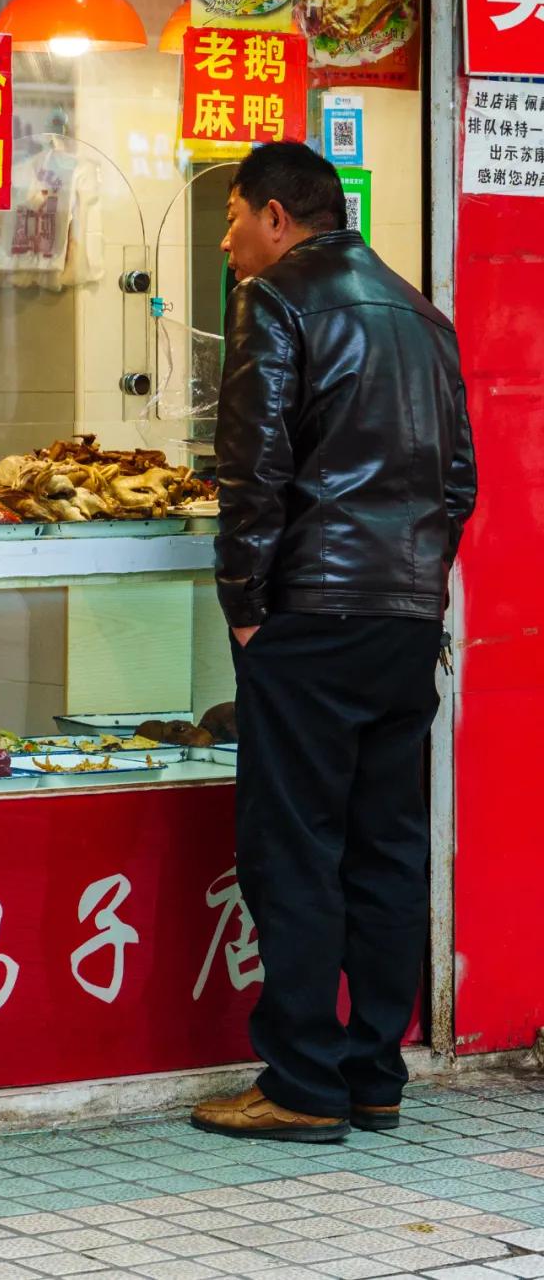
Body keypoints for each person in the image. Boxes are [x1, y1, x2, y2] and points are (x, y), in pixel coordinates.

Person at [191, 142, 476, 1144]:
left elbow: (253, 465)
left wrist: (244, 600)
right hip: (406, 621)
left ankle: (302, 1084)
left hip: (308, 616)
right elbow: (458, 486)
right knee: (387, 843)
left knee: (296, 846)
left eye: (231, 220)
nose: (226, 242)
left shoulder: (279, 301)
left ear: (277, 215)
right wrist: (417, 588)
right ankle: (374, 1076)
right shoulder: (422, 313)